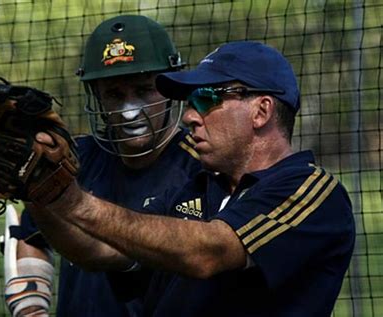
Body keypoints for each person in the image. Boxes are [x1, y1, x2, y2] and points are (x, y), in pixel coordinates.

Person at [27, 41, 356, 316]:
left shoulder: (311, 192)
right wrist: (40, 192)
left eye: (206, 99)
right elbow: (101, 250)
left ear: (261, 110)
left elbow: (209, 252)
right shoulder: (196, 188)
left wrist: (75, 202)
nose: (189, 116)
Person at [5, 15, 202, 317]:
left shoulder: (200, 168)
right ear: (96, 96)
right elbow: (32, 235)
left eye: (143, 90)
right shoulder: (73, 158)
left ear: (170, 89)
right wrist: (31, 309)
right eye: (114, 94)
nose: (129, 111)